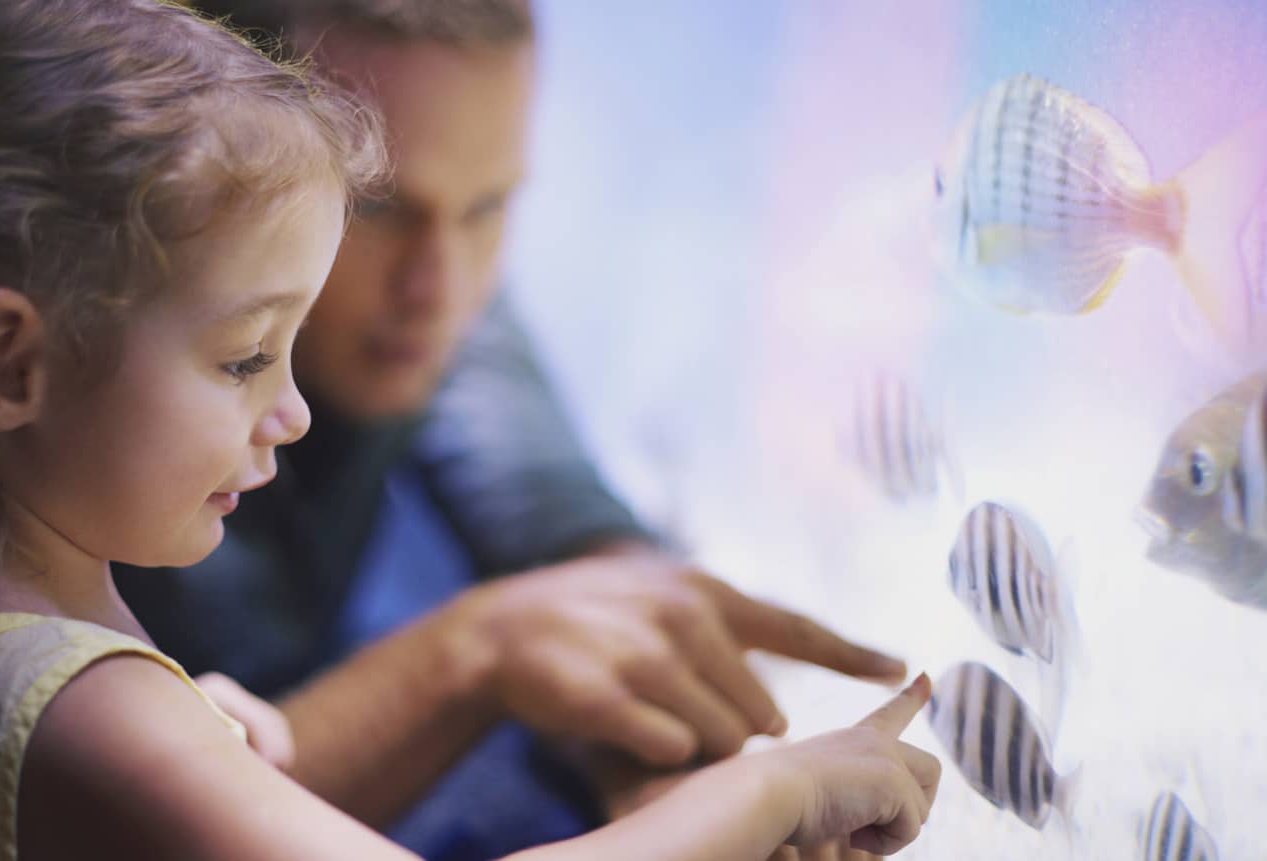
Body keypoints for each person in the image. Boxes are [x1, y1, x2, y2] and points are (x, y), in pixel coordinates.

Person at [0, 2, 944, 858]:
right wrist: (770, 793)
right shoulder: (82, 709)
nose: (290, 411)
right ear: (6, 365)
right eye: (245, 356)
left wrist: (233, 745)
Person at [115, 2, 911, 858]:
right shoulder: (109, 403)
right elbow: (120, 823)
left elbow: (573, 532)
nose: (440, 287)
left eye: (486, 208)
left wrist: (670, 762)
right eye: (377, 209)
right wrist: (477, 654)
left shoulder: (428, 307)